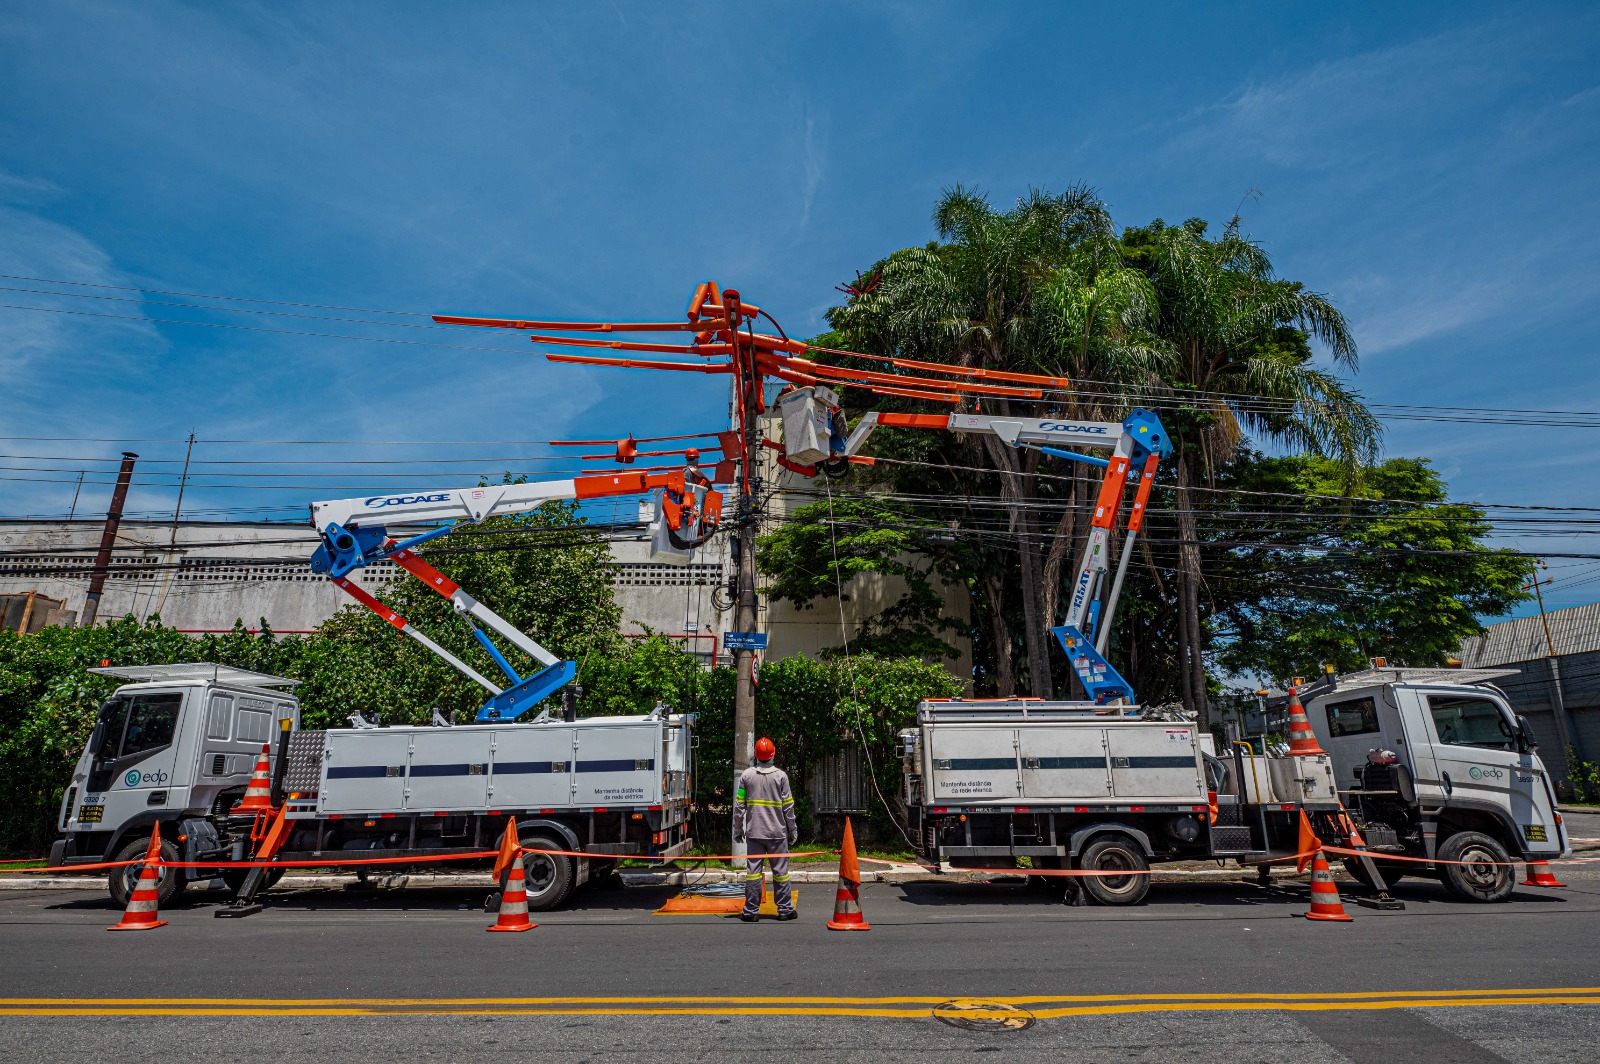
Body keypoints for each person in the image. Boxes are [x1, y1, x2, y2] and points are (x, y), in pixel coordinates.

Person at [732, 736, 799, 921]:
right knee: (781, 874)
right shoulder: (781, 777)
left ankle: (750, 912)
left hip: (755, 833)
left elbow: (739, 807)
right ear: (773, 754)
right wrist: (792, 828)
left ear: (756, 755)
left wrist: (737, 830)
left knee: (753, 874)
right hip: (777, 834)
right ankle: (785, 910)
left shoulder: (746, 776)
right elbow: (788, 807)